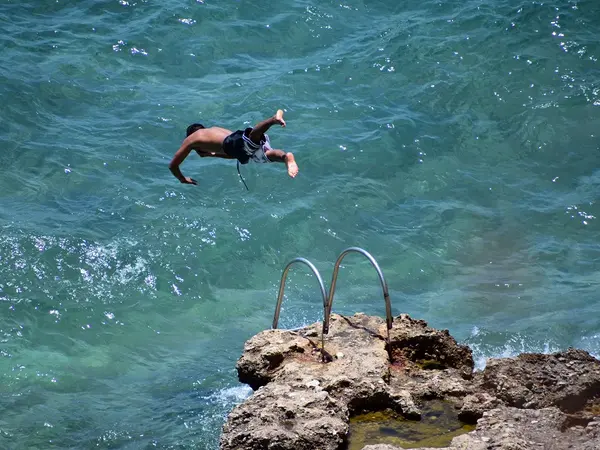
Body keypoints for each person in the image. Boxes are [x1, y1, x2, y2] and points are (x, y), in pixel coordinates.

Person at [169, 109, 299, 185]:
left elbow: (173, 165)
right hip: (236, 140)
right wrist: (212, 154)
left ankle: (272, 120)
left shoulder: (191, 139)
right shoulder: (214, 129)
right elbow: (234, 152)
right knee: (267, 153)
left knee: (254, 137)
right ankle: (286, 157)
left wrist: (182, 179)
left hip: (232, 143)